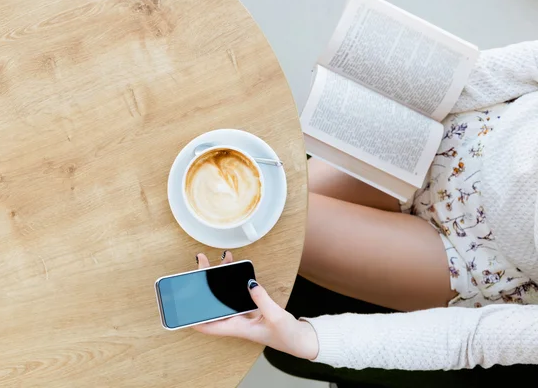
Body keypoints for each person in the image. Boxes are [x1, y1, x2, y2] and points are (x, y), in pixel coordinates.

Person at [194, 41, 538, 370]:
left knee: (258, 218)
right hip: (451, 137)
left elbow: (471, 339)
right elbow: (489, 76)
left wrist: (308, 338)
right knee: (253, 194)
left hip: (472, 255)